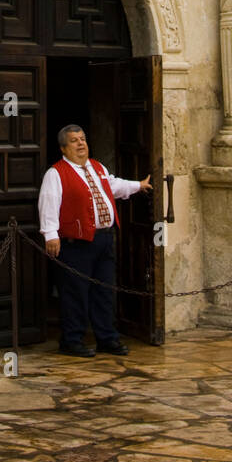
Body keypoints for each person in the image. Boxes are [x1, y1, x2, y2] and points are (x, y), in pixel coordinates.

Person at [38, 124, 153, 357]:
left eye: (83, 139)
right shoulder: (56, 173)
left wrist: (138, 186)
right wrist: (50, 235)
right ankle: (72, 340)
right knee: (75, 293)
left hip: (103, 239)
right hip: (75, 243)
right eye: (74, 141)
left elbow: (113, 185)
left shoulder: (97, 167)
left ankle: (107, 338)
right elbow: (48, 203)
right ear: (63, 148)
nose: (81, 144)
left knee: (104, 290)